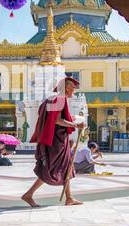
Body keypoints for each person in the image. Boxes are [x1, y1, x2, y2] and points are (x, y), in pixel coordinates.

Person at [21, 77, 85, 208]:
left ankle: (69, 198)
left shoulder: (51, 99)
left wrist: (73, 119)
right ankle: (29, 194)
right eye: (72, 86)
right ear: (66, 88)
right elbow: (57, 120)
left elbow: (56, 118)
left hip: (57, 139)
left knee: (66, 167)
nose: (74, 89)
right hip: (57, 142)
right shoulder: (60, 99)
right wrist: (75, 125)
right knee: (52, 169)